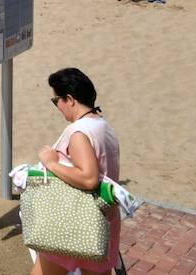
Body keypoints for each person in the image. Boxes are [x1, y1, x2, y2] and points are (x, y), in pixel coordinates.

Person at [31, 68, 120, 275]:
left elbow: (88, 178)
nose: (57, 107)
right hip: (103, 221)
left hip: (73, 222)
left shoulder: (79, 133)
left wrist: (52, 163)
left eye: (56, 101)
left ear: (69, 99)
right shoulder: (104, 126)